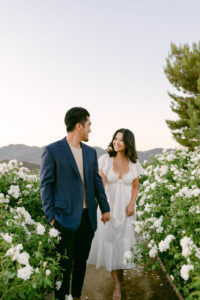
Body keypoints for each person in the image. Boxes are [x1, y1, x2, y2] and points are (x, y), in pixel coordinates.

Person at [40, 107, 110, 300]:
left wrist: (105, 208)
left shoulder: (90, 152)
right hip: (63, 218)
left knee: (81, 262)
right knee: (63, 265)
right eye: (89, 125)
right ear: (78, 126)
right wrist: (51, 218)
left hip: (87, 219)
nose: (90, 130)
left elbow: (96, 183)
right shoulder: (52, 151)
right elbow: (45, 185)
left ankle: (76, 296)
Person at [87, 128, 144, 300]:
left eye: (121, 139)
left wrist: (132, 204)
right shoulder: (104, 160)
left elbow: (135, 187)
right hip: (109, 207)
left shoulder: (134, 164)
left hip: (126, 209)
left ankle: (121, 274)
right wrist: (104, 209)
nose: (116, 142)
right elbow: (100, 186)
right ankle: (117, 286)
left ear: (128, 143)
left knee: (123, 244)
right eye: (115, 138)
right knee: (111, 242)